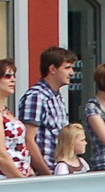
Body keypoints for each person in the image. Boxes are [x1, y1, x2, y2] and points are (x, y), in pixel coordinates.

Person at [19, 47, 76, 175]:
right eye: (67, 68)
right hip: (45, 174)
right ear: (52, 69)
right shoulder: (37, 96)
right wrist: (47, 175)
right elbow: (28, 140)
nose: (72, 72)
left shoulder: (56, 97)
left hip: (61, 170)